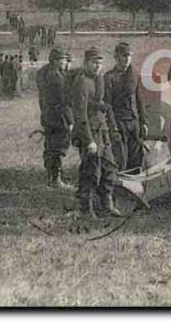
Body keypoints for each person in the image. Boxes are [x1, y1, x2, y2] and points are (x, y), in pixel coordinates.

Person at [69, 47, 122, 219]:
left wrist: (112, 127)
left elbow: (103, 106)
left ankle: (107, 205)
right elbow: (80, 114)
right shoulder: (82, 82)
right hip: (90, 133)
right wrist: (89, 140)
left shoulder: (99, 79)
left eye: (100, 63)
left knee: (109, 167)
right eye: (94, 63)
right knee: (91, 171)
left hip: (102, 129)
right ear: (86, 63)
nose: (98, 67)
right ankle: (86, 209)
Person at [104, 42, 148, 172]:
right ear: (116, 57)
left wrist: (144, 122)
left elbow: (140, 100)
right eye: (124, 56)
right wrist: (113, 126)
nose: (127, 59)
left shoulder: (134, 75)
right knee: (121, 159)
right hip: (119, 123)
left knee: (136, 159)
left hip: (134, 122)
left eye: (129, 56)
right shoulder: (109, 78)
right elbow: (108, 105)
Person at [36, 46, 74, 189]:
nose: (66, 63)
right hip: (60, 118)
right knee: (59, 147)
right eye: (64, 60)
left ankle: (52, 176)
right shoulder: (58, 78)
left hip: (48, 116)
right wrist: (70, 120)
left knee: (50, 147)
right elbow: (65, 101)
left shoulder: (44, 73)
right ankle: (55, 179)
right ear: (56, 61)